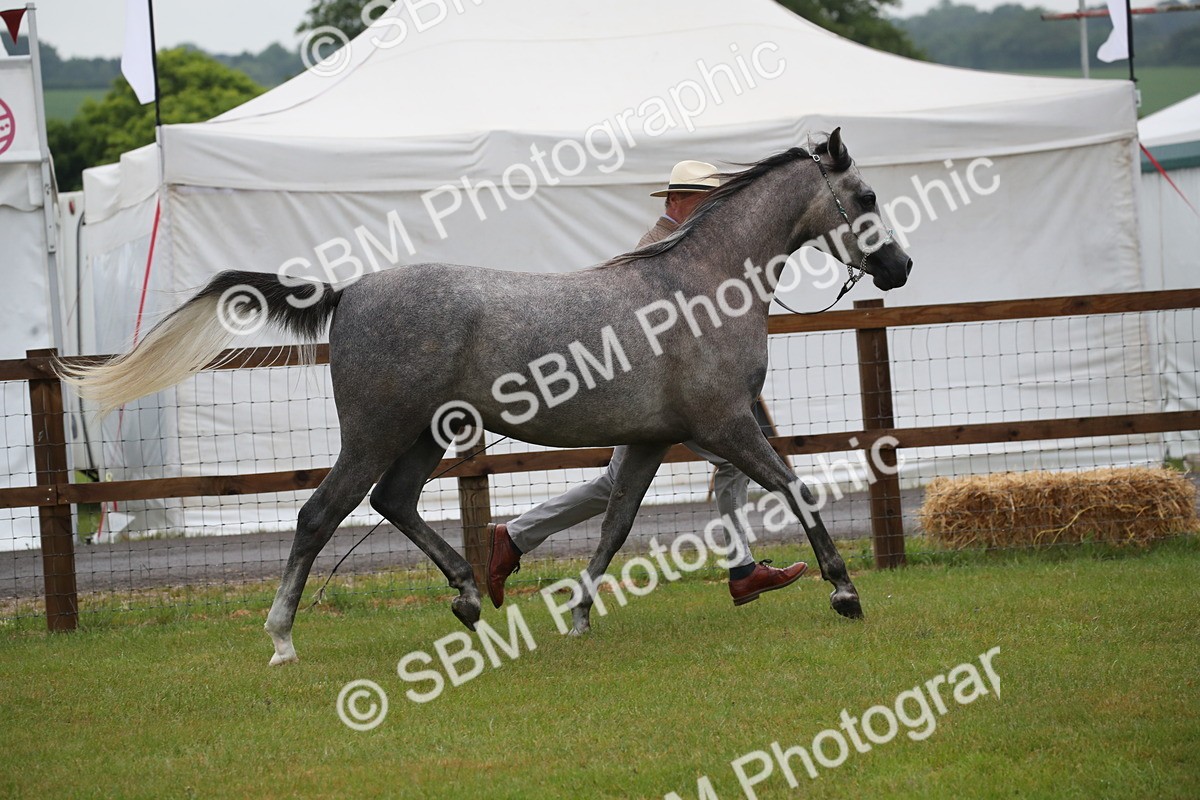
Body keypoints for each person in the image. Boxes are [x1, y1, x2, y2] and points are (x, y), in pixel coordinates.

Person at [486, 160, 808, 609]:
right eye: (702, 199)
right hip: (657, 398)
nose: (711, 209)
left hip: (671, 399)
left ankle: (515, 537)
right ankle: (741, 568)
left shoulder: (693, 249)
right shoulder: (658, 248)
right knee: (731, 461)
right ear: (676, 200)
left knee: (615, 484)